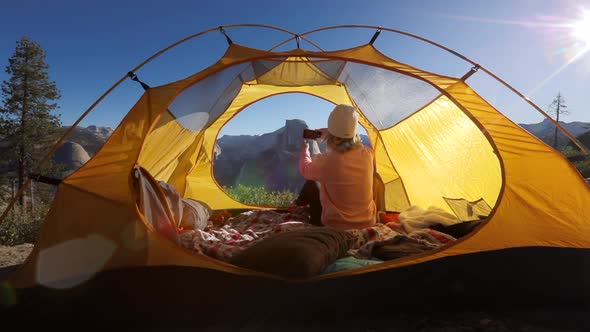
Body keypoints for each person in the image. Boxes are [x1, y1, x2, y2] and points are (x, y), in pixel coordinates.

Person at [297, 104, 376, 230]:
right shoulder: (368, 154)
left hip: (336, 226)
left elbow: (304, 169)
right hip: (367, 224)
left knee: (311, 184)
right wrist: (334, 132)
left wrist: (304, 150)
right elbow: (346, 137)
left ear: (331, 132)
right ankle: (296, 205)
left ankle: (296, 206)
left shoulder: (326, 162)